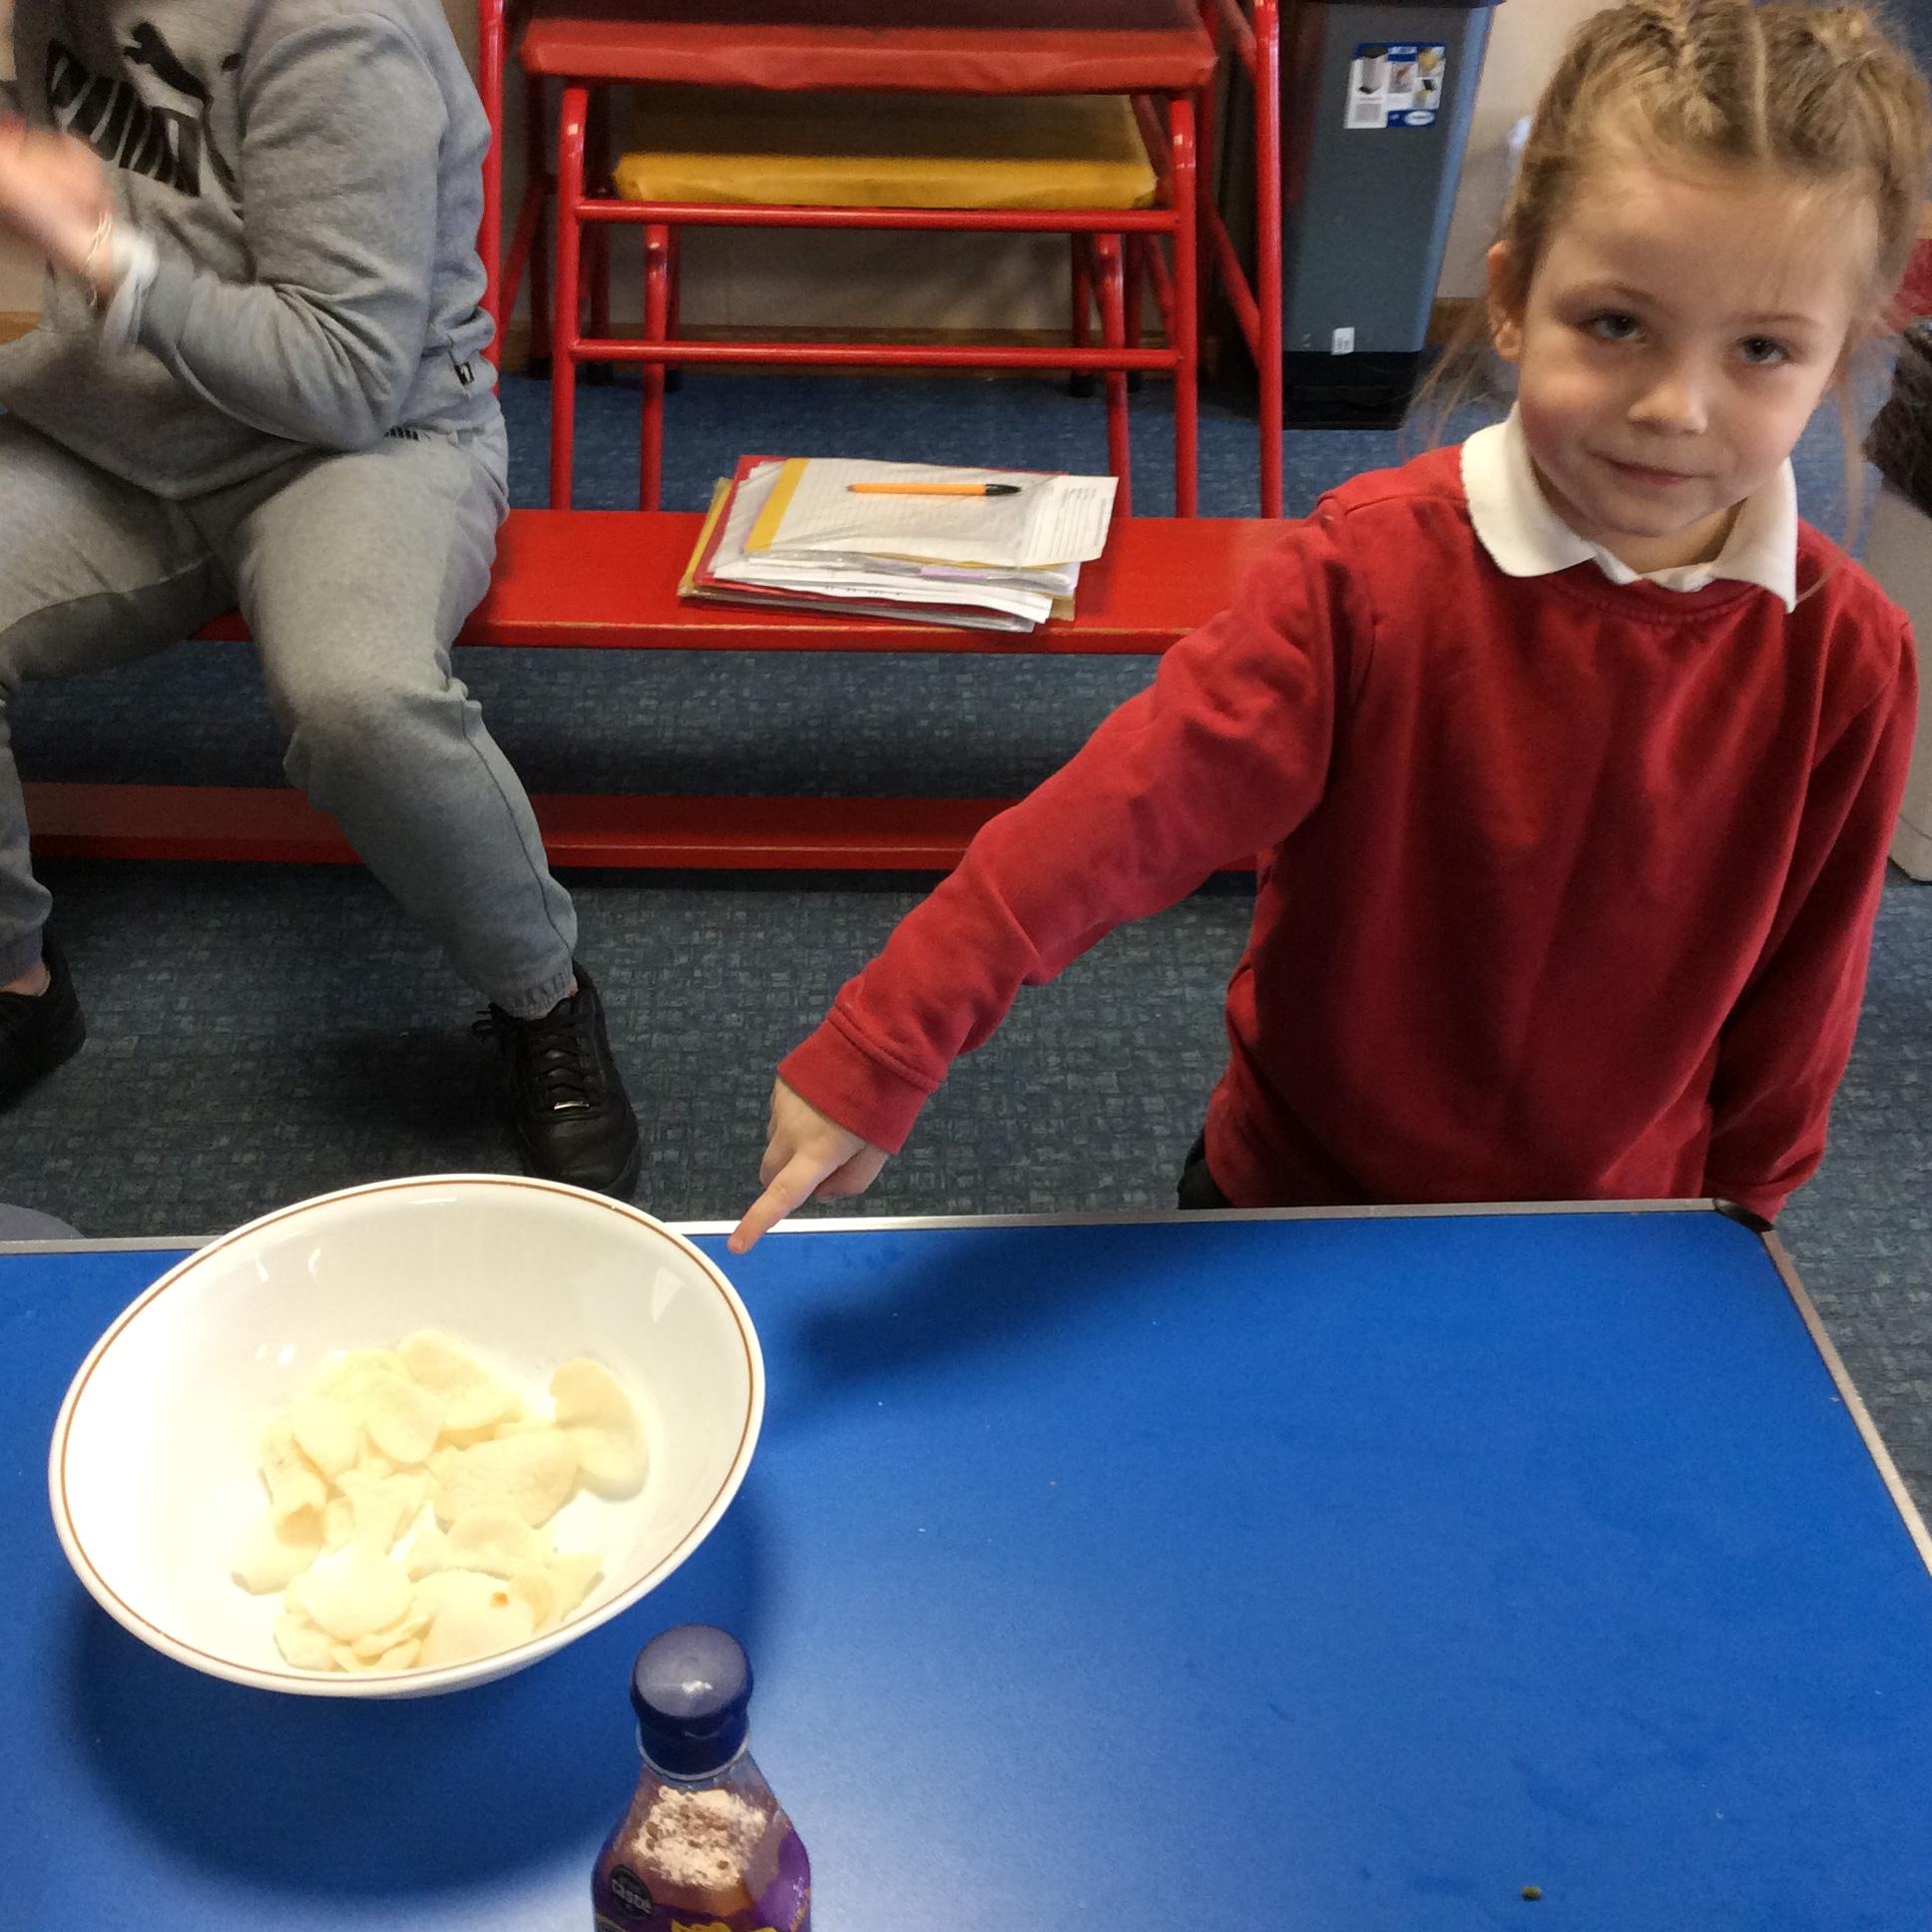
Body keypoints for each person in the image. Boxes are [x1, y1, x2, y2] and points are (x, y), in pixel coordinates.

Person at [729, 0, 1929, 1253]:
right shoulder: (1366, 576)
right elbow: (1118, 815)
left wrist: (1739, 1223)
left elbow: (1806, 991)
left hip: (1611, 1234)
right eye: (1616, 324)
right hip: (1295, 1196)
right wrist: (892, 1032)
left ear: (1838, 359)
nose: (1675, 407)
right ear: (1510, 300)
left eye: (1760, 349)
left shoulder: (1847, 658)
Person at [0, 1, 641, 1196]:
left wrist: (100, 254)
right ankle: (16, 983)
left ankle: (541, 995)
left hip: (364, 441)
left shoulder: (331, 25)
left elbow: (342, 379)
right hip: (119, 420)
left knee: (359, 700)